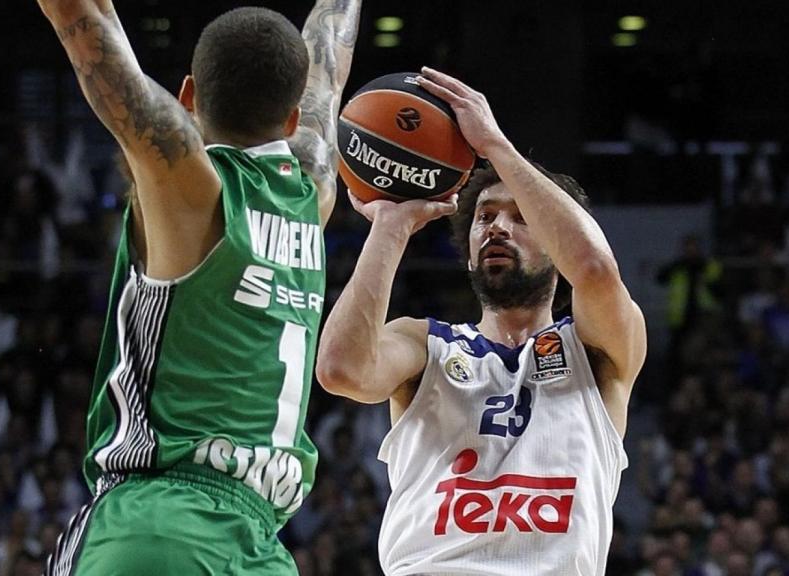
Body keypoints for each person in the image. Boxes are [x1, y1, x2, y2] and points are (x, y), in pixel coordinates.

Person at [34, 0, 362, 573]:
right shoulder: (312, 192)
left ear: (187, 97)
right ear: (290, 120)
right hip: (260, 547)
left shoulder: (186, 187)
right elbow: (328, 67)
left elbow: (83, 25)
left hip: (156, 524)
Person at [316, 67, 647, 575]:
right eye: (486, 217)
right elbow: (341, 369)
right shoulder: (426, 345)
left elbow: (597, 270)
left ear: (558, 245)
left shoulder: (598, 351)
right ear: (468, 251)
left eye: (521, 217)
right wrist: (391, 225)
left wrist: (495, 147)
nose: (498, 228)